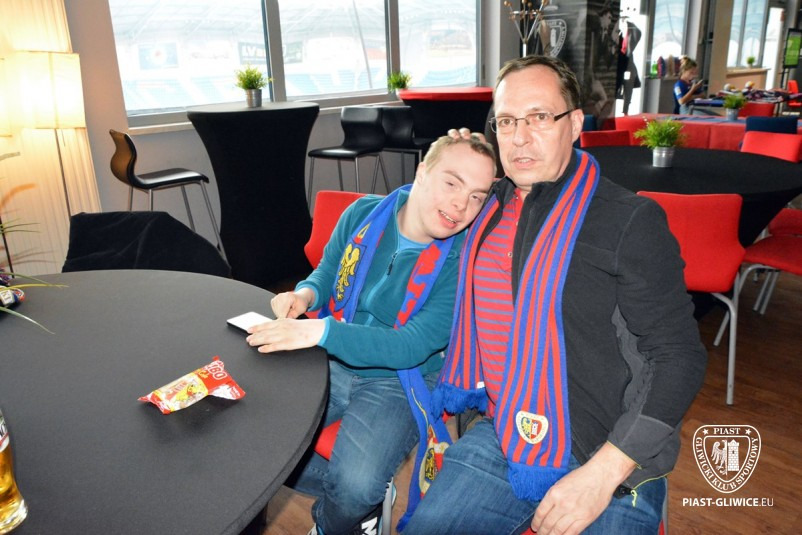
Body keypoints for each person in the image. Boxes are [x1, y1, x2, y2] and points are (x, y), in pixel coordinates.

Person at [404, 55, 707, 535]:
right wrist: (453, 159)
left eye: (540, 117)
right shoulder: (483, 206)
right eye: (507, 121)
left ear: (576, 125)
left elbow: (678, 357)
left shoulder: (628, 221)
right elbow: (412, 213)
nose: (520, 137)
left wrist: (603, 472)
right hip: (507, 431)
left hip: (607, 449)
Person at [246, 135, 497, 535]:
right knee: (263, 446)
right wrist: (304, 295)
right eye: (452, 182)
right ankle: (366, 502)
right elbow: (328, 272)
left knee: (355, 487)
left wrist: (320, 330)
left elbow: (409, 345)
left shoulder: (464, 261)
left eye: (476, 197)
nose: (460, 205)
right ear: (422, 173)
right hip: (334, 356)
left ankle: (343, 514)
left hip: (401, 379)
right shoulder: (362, 213)